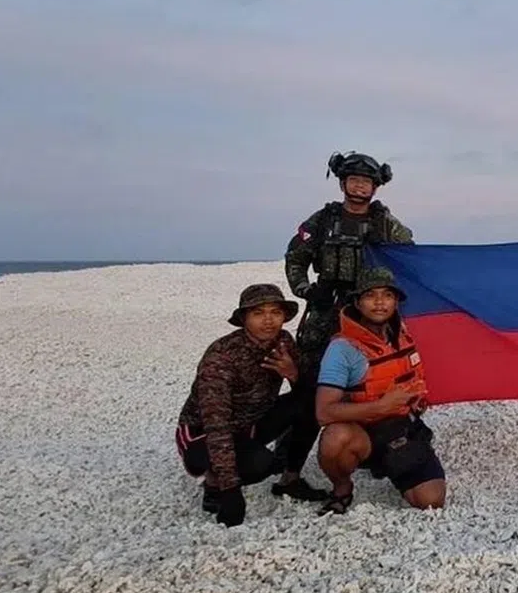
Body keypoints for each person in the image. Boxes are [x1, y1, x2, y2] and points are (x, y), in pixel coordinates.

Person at [277, 152, 415, 474]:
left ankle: (370, 448)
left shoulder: (386, 224)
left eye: (366, 181)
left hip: (370, 316)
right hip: (325, 312)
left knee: (374, 376)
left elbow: (413, 258)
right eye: (353, 180)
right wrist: (307, 290)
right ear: (342, 183)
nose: (359, 187)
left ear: (375, 187)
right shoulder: (322, 222)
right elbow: (295, 258)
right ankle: (290, 466)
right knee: (309, 384)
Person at [174, 284, 329, 528]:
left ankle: (290, 479)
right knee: (259, 464)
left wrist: (294, 374)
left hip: (252, 422)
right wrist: (230, 491)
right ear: (244, 318)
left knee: (311, 403)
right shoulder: (222, 356)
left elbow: (311, 387)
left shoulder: (284, 342)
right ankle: (213, 483)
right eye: (258, 313)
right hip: (202, 432)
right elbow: (216, 423)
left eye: (275, 312)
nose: (268, 320)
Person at [312, 266, 446, 515]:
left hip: (401, 427)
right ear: (357, 303)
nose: (379, 303)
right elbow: (323, 412)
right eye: (370, 296)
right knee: (335, 439)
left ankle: (398, 462)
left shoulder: (404, 333)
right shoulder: (342, 349)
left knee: (430, 502)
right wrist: (381, 406)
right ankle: (342, 488)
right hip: (363, 430)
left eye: (387, 295)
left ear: (396, 302)